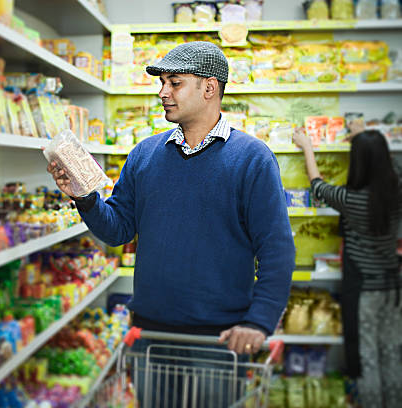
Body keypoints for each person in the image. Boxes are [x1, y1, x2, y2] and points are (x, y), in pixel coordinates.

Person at [47, 42, 295, 407]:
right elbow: (117, 229)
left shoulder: (252, 159)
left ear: (209, 88)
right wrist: (84, 196)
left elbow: (276, 248)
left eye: (174, 83)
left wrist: (258, 322)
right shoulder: (144, 154)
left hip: (220, 338)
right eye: (162, 82)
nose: (163, 93)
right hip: (152, 332)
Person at [293, 126, 402, 408]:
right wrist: (366, 138)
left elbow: (317, 186)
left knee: (365, 357)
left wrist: (307, 147)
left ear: (359, 162)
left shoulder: (352, 200)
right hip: (392, 289)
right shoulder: (395, 193)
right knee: (391, 354)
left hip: (364, 289)